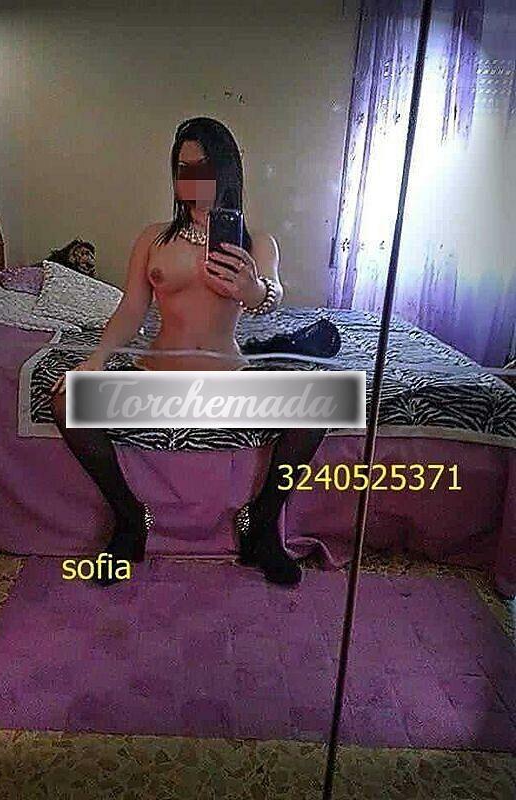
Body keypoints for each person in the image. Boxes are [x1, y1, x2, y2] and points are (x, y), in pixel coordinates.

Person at [50, 117, 325, 587]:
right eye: (183, 167)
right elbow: (131, 308)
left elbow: (273, 294)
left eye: (204, 166)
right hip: (159, 379)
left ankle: (261, 523)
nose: (192, 178)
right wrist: (95, 361)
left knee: (320, 403)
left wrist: (254, 289)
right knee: (64, 402)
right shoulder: (153, 238)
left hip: (227, 383)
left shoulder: (256, 242)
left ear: (228, 170)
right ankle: (130, 520)